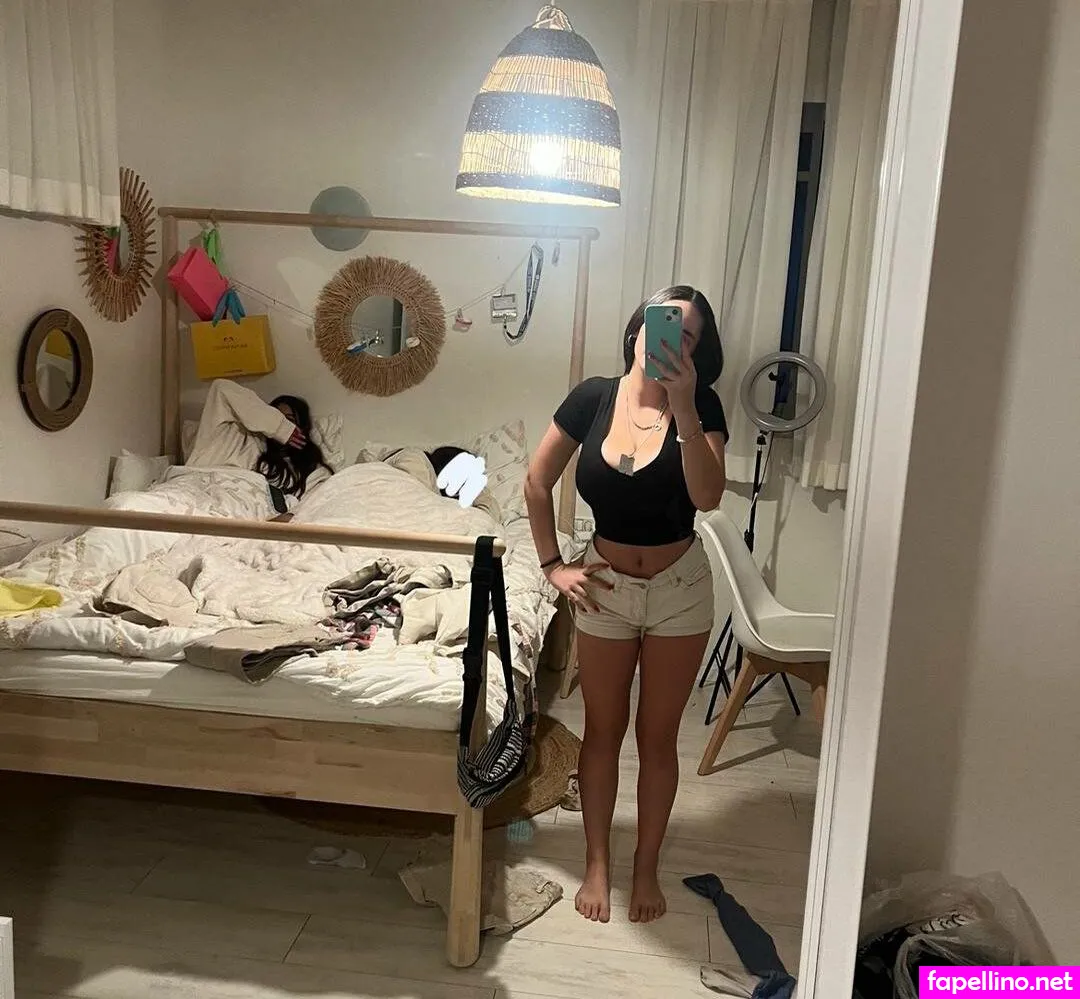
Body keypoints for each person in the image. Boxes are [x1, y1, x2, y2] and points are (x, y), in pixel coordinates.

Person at [524, 285, 728, 925]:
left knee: (658, 738)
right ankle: (596, 863)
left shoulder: (704, 404)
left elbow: (708, 496)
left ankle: (644, 867)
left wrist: (685, 407)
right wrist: (552, 565)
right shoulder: (592, 398)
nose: (669, 340)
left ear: (696, 352)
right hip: (605, 587)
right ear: (637, 330)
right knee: (602, 731)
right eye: (661, 324)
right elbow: (536, 481)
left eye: (686, 335)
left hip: (679, 590)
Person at [187, 379, 333, 511]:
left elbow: (314, 503)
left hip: (238, 508)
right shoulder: (234, 435)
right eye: (275, 415)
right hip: (196, 487)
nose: (284, 422)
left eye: (289, 420)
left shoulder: (308, 471)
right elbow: (221, 387)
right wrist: (279, 427)